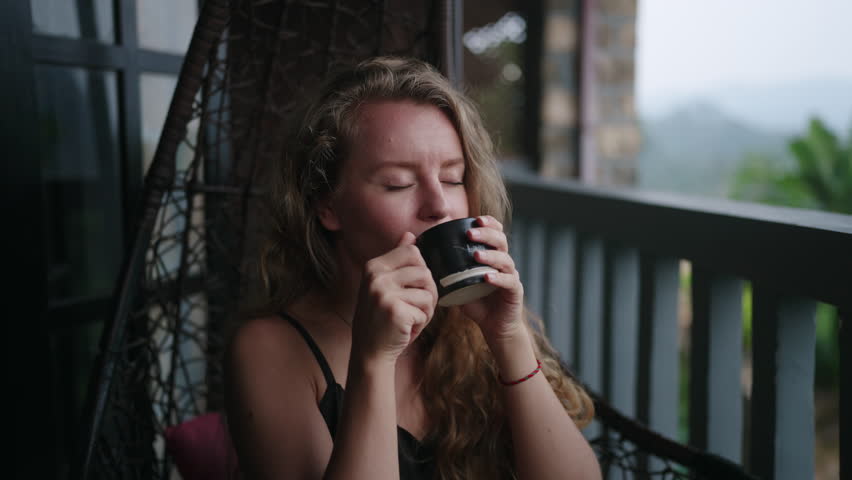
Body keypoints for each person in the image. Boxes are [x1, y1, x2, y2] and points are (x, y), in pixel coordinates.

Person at [225, 56, 601, 480]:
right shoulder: (269, 348)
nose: (439, 205)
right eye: (398, 184)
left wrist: (508, 337)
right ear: (327, 205)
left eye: (453, 178)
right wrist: (374, 359)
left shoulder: (471, 328)